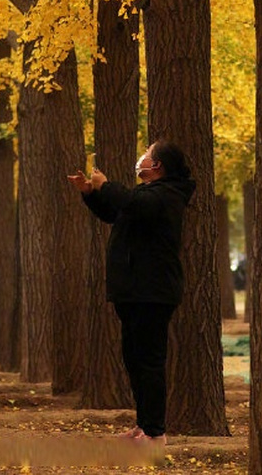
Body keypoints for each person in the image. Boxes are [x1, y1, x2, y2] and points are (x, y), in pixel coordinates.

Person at [68, 140, 195, 455]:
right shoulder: (145, 195)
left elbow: (130, 204)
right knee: (134, 360)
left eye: (148, 154)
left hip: (153, 292)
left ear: (158, 166)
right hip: (133, 291)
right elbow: (116, 212)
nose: (142, 157)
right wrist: (90, 193)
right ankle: (143, 424)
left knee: (149, 362)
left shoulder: (167, 195)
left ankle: (155, 433)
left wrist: (106, 184)